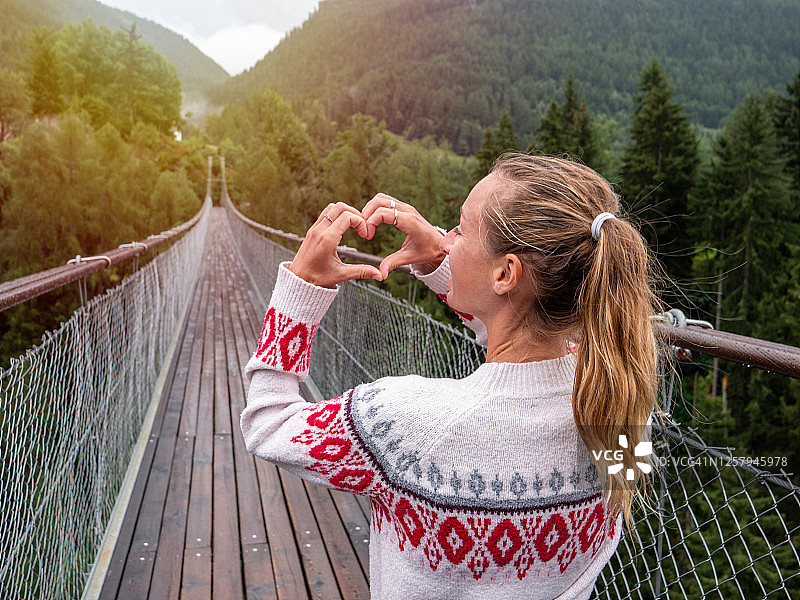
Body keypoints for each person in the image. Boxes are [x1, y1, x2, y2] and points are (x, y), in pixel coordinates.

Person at [241, 153, 659, 599]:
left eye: (458, 230)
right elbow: (521, 337)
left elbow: (269, 422)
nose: (445, 240)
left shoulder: (404, 426)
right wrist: (441, 266)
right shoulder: (618, 402)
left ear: (505, 273)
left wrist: (301, 288)